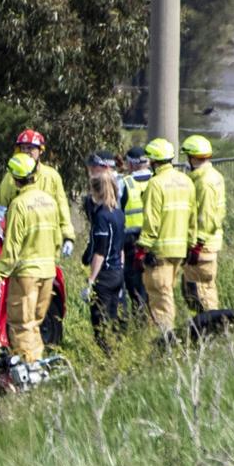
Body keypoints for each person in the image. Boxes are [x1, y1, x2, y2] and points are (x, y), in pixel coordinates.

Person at [0, 154, 61, 363]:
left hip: (26, 275)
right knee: (34, 323)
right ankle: (37, 363)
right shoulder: (49, 201)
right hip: (48, 272)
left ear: (14, 179)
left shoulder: (18, 205)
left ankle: (28, 370)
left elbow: (12, 245)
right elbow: (57, 238)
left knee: (21, 324)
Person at [135, 138, 197, 338]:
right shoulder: (186, 181)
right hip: (180, 251)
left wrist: (142, 248)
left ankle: (166, 342)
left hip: (159, 252)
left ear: (153, 162)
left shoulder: (155, 184)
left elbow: (151, 221)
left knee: (160, 298)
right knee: (167, 292)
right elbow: (193, 216)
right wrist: (191, 243)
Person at [0, 129, 75, 257]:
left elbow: (62, 209)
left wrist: (68, 237)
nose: (26, 152)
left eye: (30, 148)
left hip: (48, 245)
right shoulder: (10, 177)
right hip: (20, 246)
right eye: (23, 148)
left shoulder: (52, 177)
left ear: (40, 150)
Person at [180, 135, 226, 313]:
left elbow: (205, 217)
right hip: (210, 242)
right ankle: (211, 331)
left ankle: (212, 331)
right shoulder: (214, 176)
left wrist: (197, 245)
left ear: (192, 158)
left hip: (203, 245)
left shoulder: (203, 182)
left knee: (201, 294)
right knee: (205, 290)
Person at [81, 174, 125, 351]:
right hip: (117, 272)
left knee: (100, 320)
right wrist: (120, 269)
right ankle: (117, 352)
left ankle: (106, 354)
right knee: (114, 316)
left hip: (105, 275)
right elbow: (120, 248)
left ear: (95, 190)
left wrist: (91, 280)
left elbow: (100, 251)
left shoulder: (101, 216)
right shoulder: (118, 213)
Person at [120, 146, 152, 313]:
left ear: (131, 164)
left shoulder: (125, 183)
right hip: (155, 239)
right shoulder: (156, 180)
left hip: (132, 241)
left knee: (134, 283)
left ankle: (140, 317)